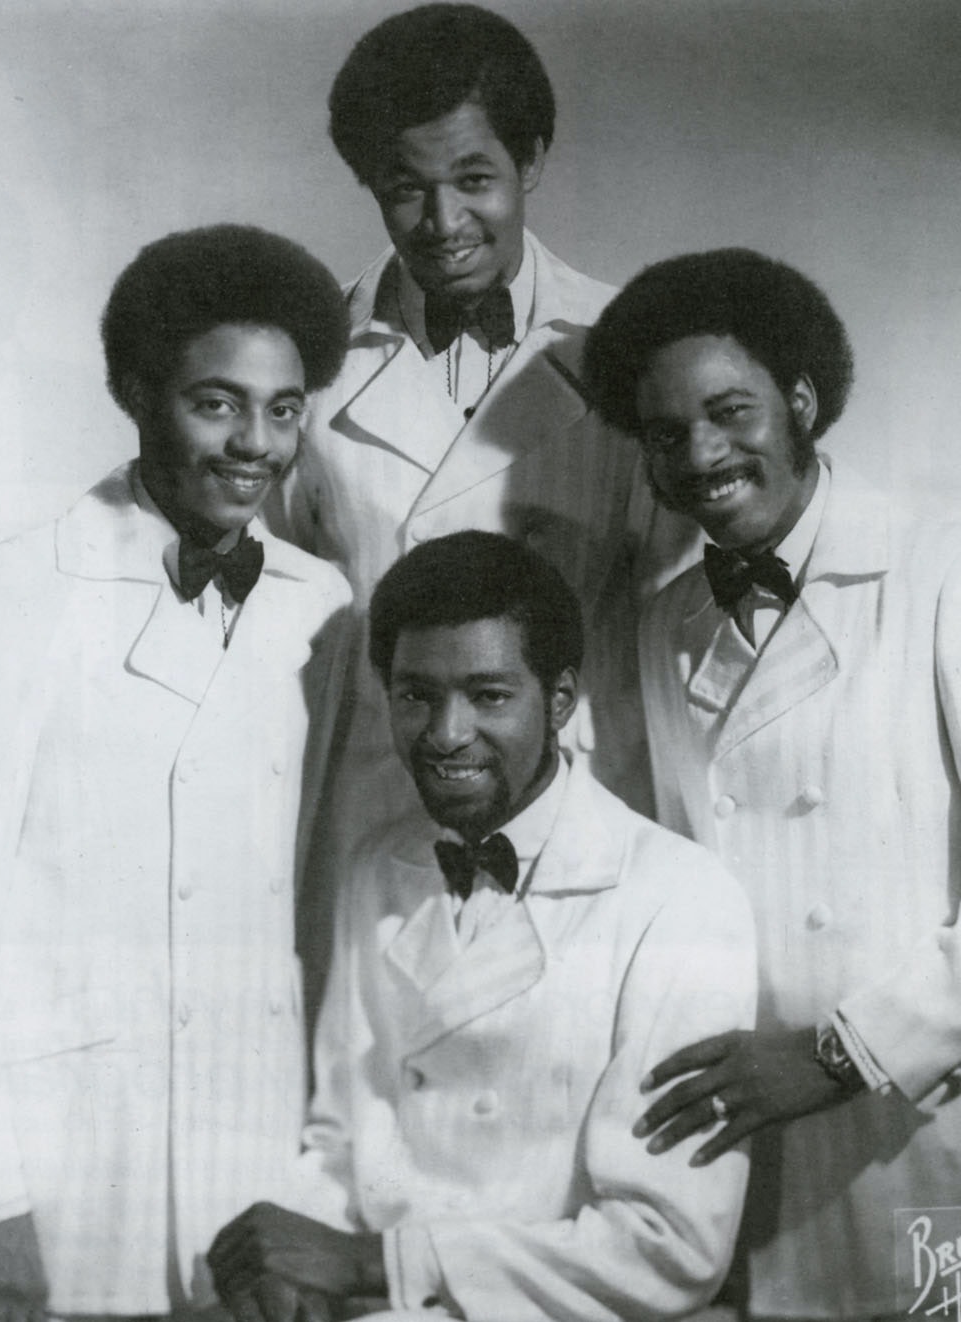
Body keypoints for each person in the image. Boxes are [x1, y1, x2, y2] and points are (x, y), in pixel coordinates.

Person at [581, 248, 961, 1320]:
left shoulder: (953, 572)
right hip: (761, 1147)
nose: (701, 454)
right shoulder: (664, 626)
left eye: (731, 411)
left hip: (944, 1131)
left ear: (801, 401)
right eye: (666, 434)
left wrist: (840, 1054)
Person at [0, 224, 353, 1321]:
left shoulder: (320, 604)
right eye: (217, 403)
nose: (256, 443)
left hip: (261, 1165)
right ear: (137, 393)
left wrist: (325, 1189)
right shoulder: (20, 589)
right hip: (71, 1173)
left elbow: (330, 907)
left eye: (284, 409)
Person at [207, 531, 756, 1322]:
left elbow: (669, 1250)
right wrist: (289, 1276)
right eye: (416, 695)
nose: (446, 734)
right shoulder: (376, 866)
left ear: (560, 700)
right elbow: (339, 1143)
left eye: (489, 695)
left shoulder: (680, 898)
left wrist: (373, 1265)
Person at [279, 3, 696, 1003]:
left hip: (580, 816)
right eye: (405, 189)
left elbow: (680, 612)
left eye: (474, 179)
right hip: (377, 816)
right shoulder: (305, 363)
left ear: (532, 159)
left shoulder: (626, 349)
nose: (443, 223)